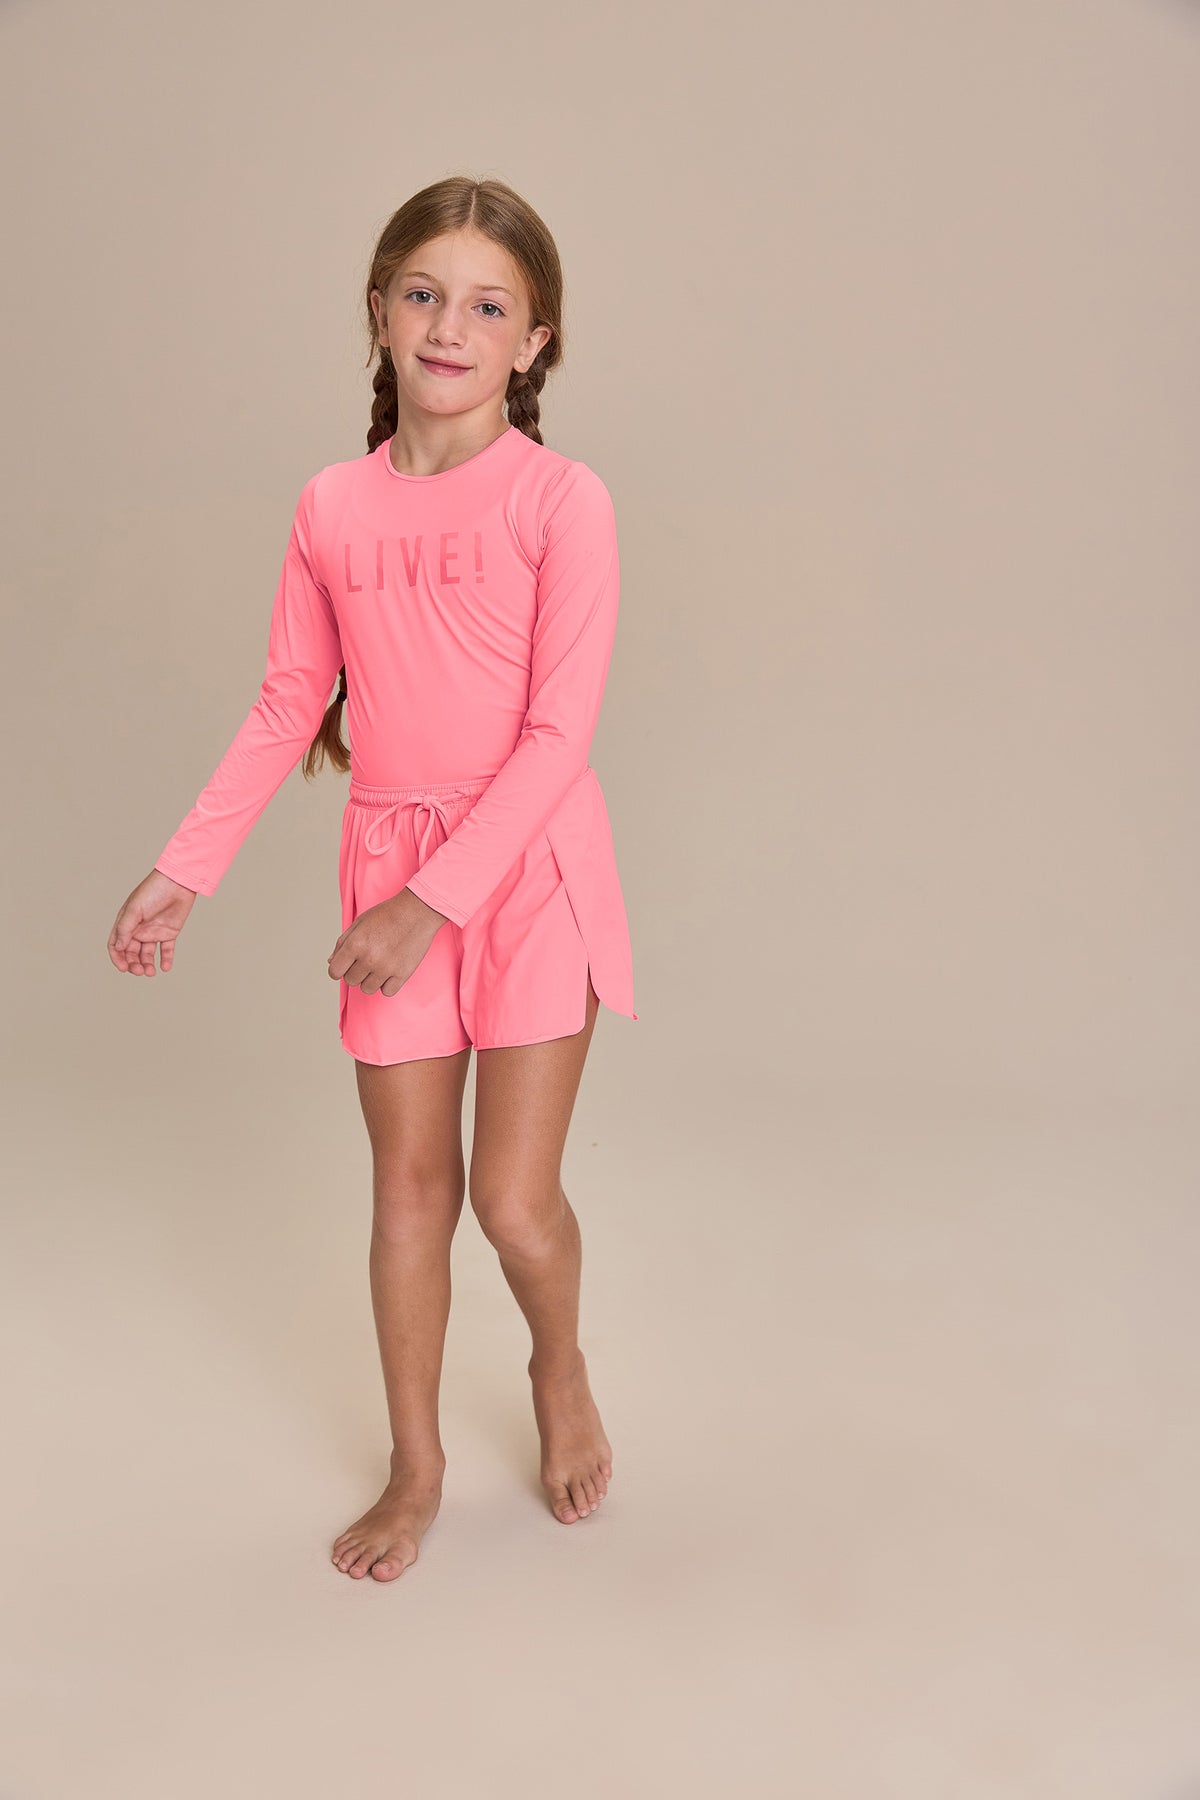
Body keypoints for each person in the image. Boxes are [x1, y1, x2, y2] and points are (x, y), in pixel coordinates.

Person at [106, 174, 639, 1583]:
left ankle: (559, 1364)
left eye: (489, 306)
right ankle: (416, 1466)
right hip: (392, 860)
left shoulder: (563, 501)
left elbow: (557, 738)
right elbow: (291, 700)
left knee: (511, 1202)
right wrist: (185, 869)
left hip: (525, 870)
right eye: (424, 294)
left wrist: (432, 904)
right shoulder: (331, 506)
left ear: (534, 343)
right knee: (409, 1192)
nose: (451, 327)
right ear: (380, 313)